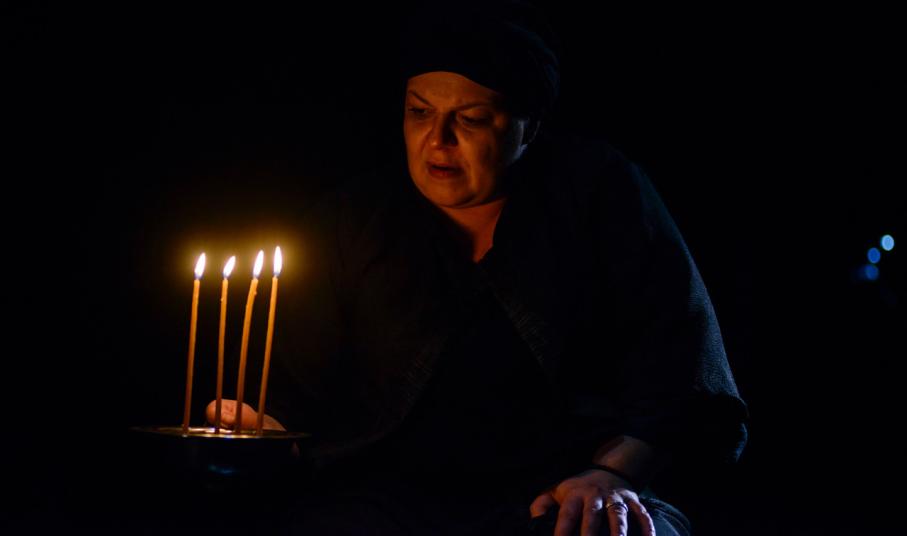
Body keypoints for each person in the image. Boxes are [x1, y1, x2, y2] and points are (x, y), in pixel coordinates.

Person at [208, 2, 748, 534]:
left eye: (470, 119)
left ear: (528, 128)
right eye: (420, 112)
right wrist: (262, 427)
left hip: (565, 486)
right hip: (384, 495)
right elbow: (296, 385)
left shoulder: (601, 195)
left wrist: (611, 473)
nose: (437, 140)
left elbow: (681, 373)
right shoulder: (357, 218)